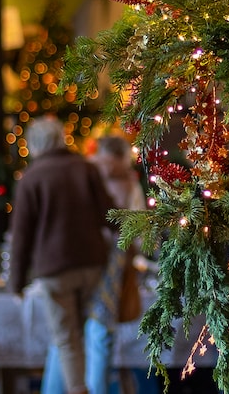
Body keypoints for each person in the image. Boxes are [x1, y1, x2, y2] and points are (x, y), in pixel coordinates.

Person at [9, 117, 113, 394]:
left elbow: (21, 237)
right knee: (84, 332)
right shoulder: (85, 168)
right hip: (92, 263)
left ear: (34, 144)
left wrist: (16, 283)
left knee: (66, 338)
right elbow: (109, 214)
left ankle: (77, 389)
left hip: (55, 270)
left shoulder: (31, 178)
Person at [40, 134, 148, 394]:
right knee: (95, 335)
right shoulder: (113, 181)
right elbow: (138, 233)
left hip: (78, 263)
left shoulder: (81, 174)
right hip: (100, 266)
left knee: (68, 335)